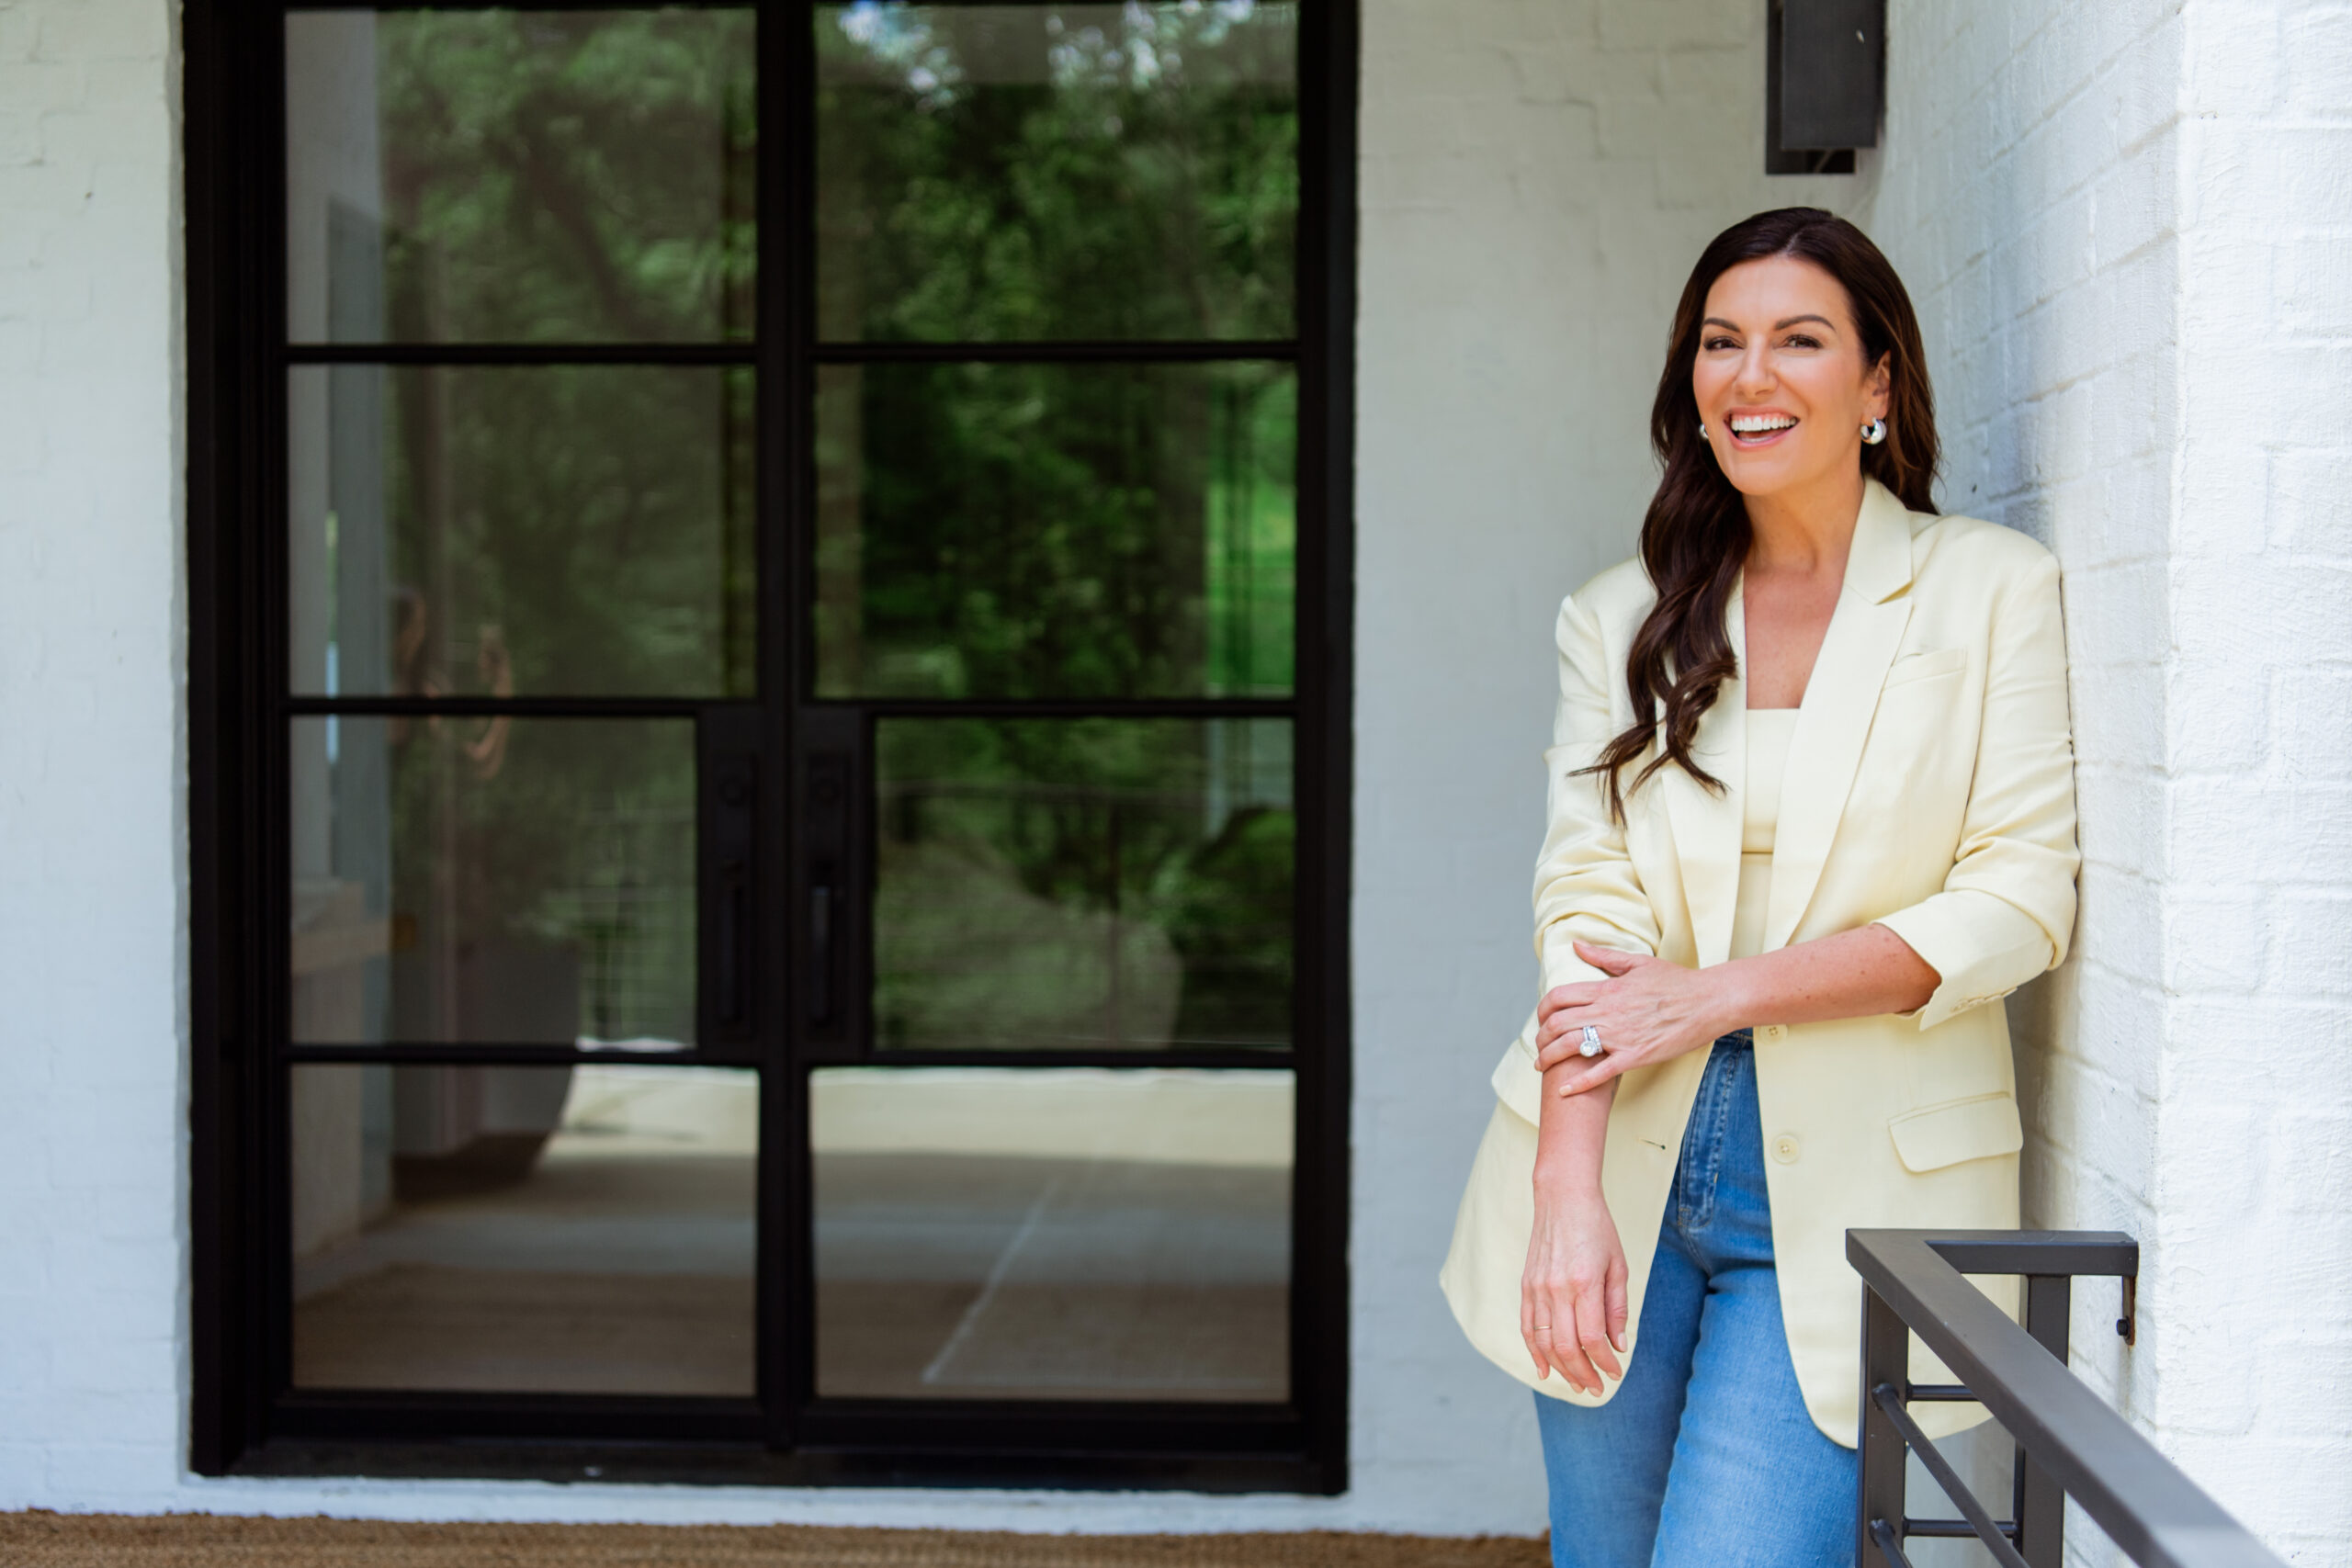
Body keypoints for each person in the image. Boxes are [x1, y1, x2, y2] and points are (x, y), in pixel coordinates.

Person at [1439, 207, 2081, 1568]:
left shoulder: (1991, 592)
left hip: (1859, 1176)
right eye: (1721, 343)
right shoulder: (1620, 613)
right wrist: (1566, 1191)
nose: (1751, 375)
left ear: (1879, 385)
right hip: (1620, 1150)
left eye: (1799, 340)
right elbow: (1585, 896)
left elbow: (2019, 898)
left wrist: (1717, 998)